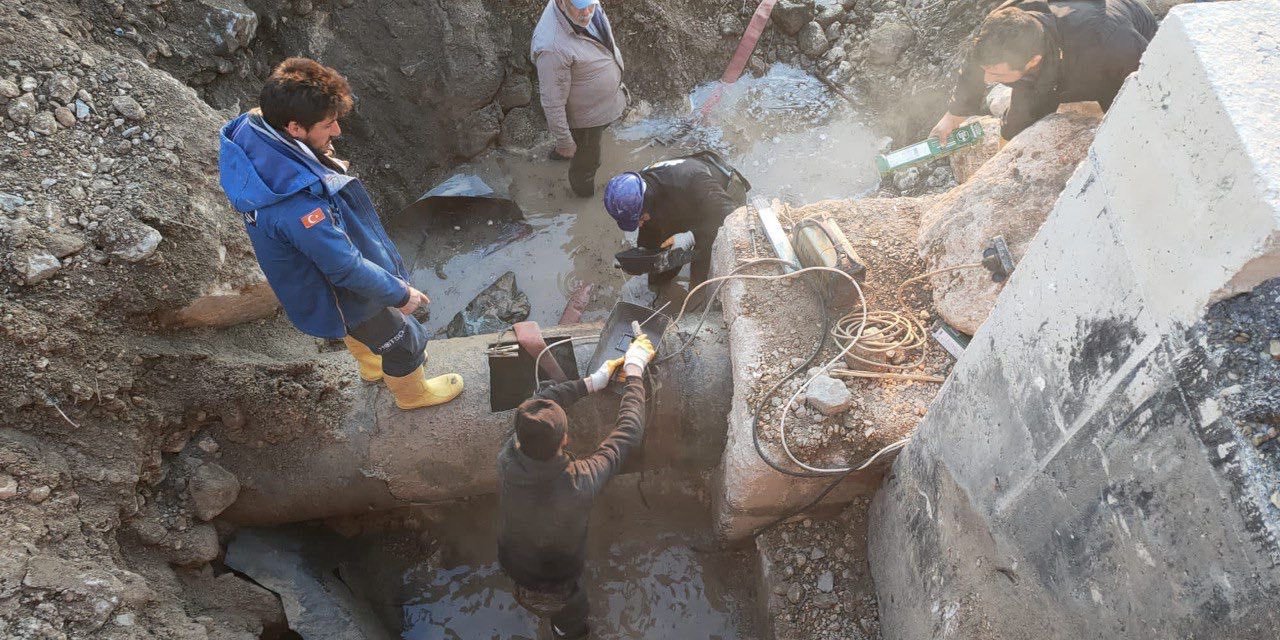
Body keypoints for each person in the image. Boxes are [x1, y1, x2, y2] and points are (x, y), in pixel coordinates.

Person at [217, 57, 463, 410]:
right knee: (406, 339)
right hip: (333, 286)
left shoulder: (255, 126)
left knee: (359, 325)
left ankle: (372, 366)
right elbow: (344, 268)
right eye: (328, 124)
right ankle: (413, 396)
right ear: (295, 128)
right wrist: (398, 293)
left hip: (312, 278)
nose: (337, 133)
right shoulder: (297, 206)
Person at [497, 332, 656, 640]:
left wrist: (591, 382)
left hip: (514, 566)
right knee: (571, 618)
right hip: (557, 585)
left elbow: (537, 405)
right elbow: (629, 432)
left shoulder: (506, 459)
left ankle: (554, 623)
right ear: (565, 440)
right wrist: (634, 372)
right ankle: (567, 631)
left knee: (538, 598)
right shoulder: (578, 482)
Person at [931, 0, 1156, 143]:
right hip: (1052, 65)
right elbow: (975, 64)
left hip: (1118, 48)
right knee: (1014, 133)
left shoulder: (1111, 44)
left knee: (1118, 127)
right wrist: (953, 116)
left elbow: (1150, 82)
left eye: (998, 76)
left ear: (1032, 62)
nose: (988, 79)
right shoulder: (1001, 28)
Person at [603, 151, 749, 287]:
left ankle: (698, 297)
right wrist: (645, 256)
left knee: (706, 254)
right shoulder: (640, 188)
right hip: (683, 198)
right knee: (661, 246)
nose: (639, 224)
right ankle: (659, 284)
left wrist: (692, 236)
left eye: (639, 218)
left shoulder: (694, 181)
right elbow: (651, 230)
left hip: (724, 198)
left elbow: (734, 219)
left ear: (646, 203)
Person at [531, 0, 626, 198]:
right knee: (589, 161)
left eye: (591, 5)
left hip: (600, 103)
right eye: (578, 6)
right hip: (586, 119)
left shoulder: (587, 7)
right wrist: (565, 142)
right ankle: (583, 196)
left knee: (583, 145)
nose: (587, 13)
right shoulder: (552, 47)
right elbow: (552, 103)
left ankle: (561, 153)